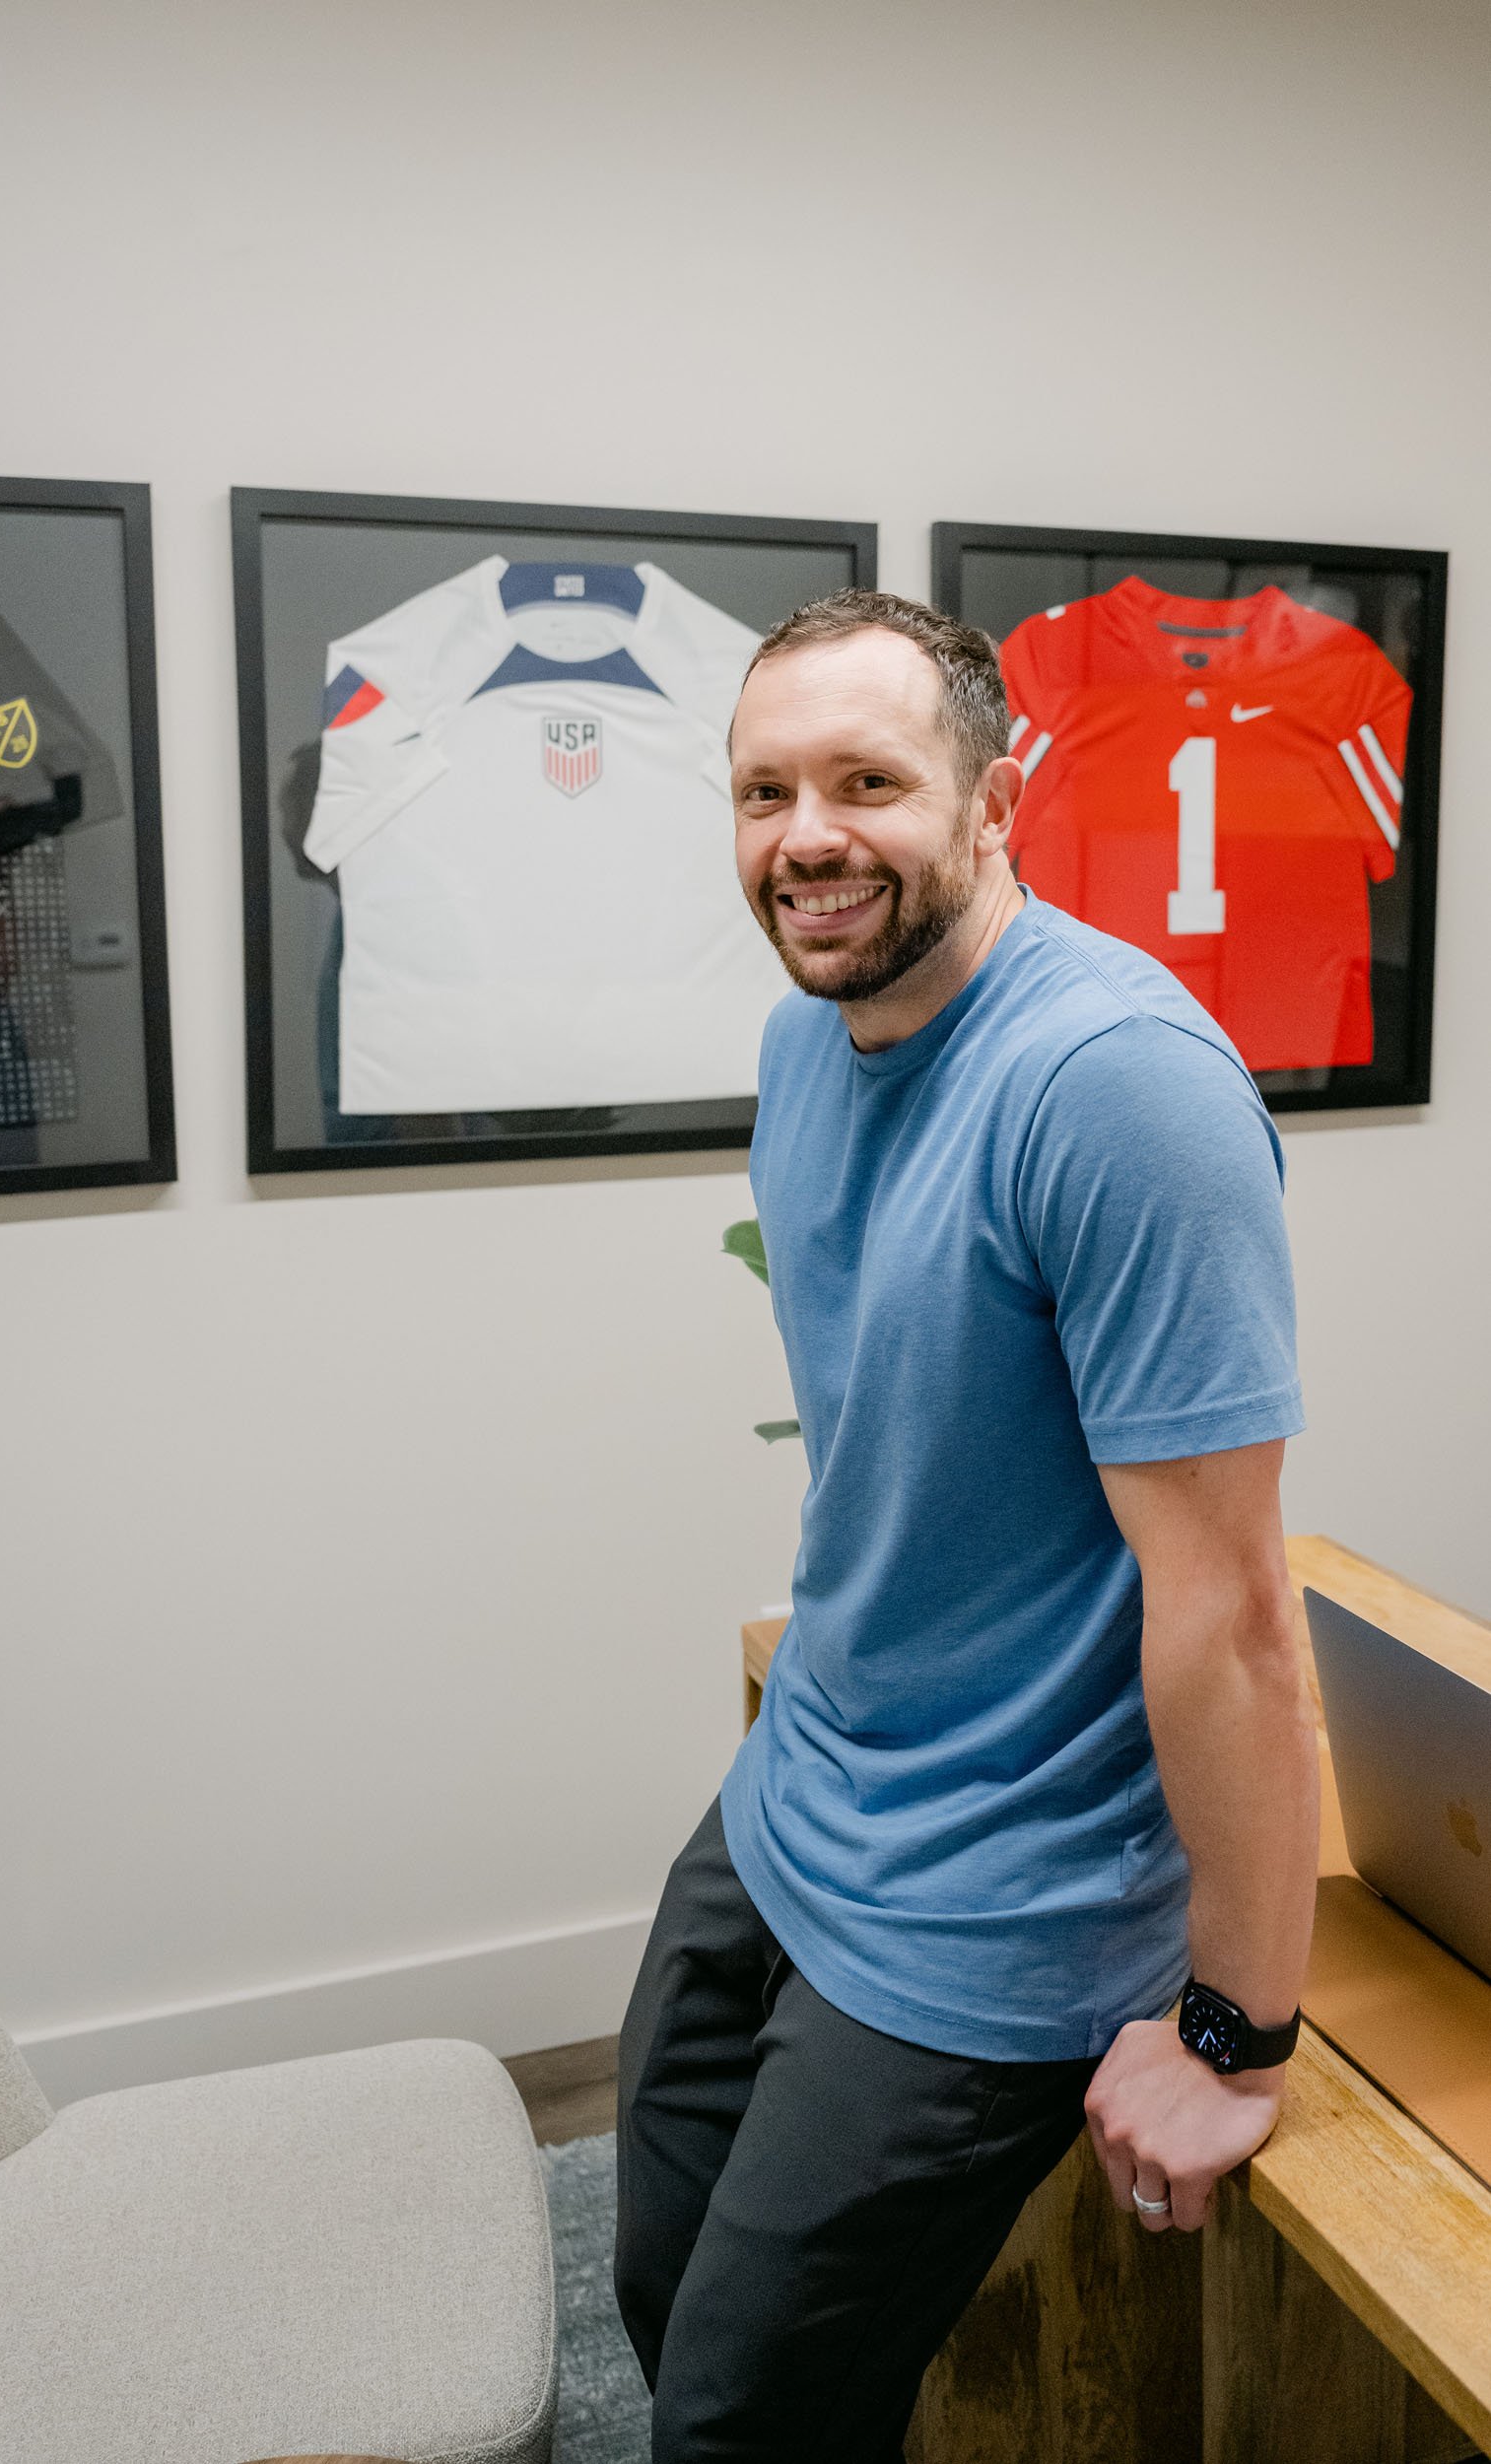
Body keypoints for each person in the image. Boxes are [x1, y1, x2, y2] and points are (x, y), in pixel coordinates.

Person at [613, 591, 1319, 2464]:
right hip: (803, 1791)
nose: (808, 837)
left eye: (866, 780)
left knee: (741, 2420)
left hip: (1004, 1893)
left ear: (995, 798)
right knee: (657, 2302)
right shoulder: (803, 1044)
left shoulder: (1115, 1091)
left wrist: (1240, 2028)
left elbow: (1238, 1613)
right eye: (765, 791)